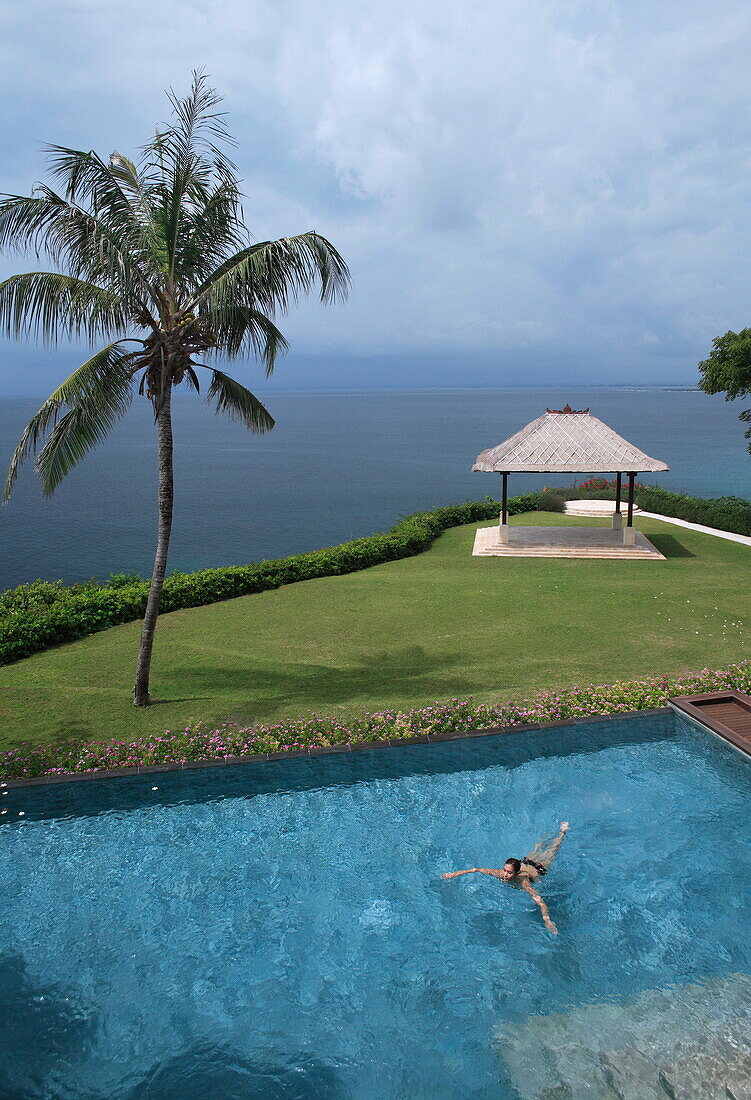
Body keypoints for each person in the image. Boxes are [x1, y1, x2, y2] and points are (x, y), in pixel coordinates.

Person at [442, 822, 569, 935]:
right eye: (505, 871)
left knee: (553, 850)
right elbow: (475, 869)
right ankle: (553, 831)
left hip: (538, 869)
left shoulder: (523, 882)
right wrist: (453, 874)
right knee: (539, 846)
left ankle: (562, 832)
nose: (505, 875)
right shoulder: (499, 873)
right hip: (526, 861)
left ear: (517, 873)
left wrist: (547, 920)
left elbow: (540, 900)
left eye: (509, 873)